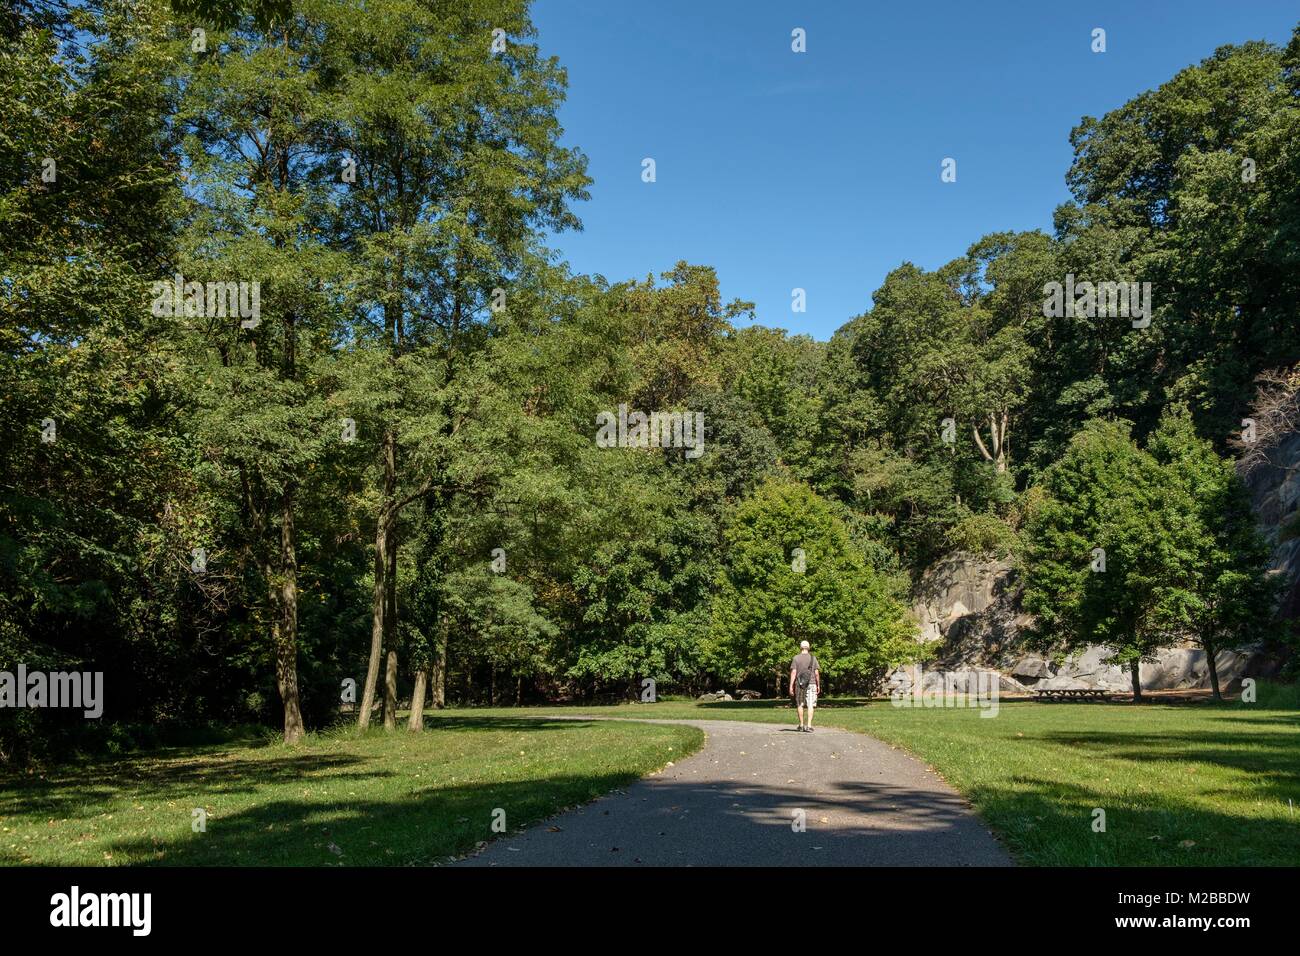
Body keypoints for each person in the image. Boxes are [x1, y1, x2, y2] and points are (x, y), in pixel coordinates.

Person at [788, 640, 821, 732]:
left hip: (800, 685)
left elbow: (793, 672)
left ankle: (801, 725)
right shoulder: (813, 658)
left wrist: (791, 685)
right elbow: (817, 673)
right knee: (810, 705)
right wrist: (818, 685)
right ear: (809, 647)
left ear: (800, 647)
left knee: (800, 704)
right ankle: (809, 726)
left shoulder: (796, 658)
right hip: (811, 683)